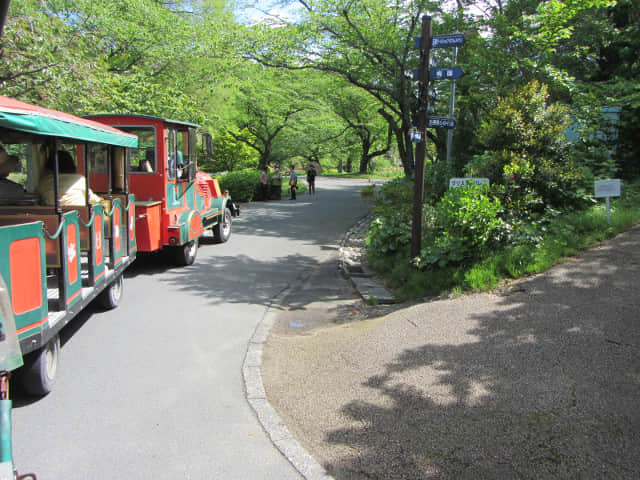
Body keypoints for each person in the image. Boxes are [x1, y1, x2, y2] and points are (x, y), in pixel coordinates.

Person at [38, 150, 105, 207]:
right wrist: (100, 200)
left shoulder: (44, 181)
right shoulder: (79, 179)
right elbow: (91, 198)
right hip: (79, 215)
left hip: (53, 217)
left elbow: (40, 196)